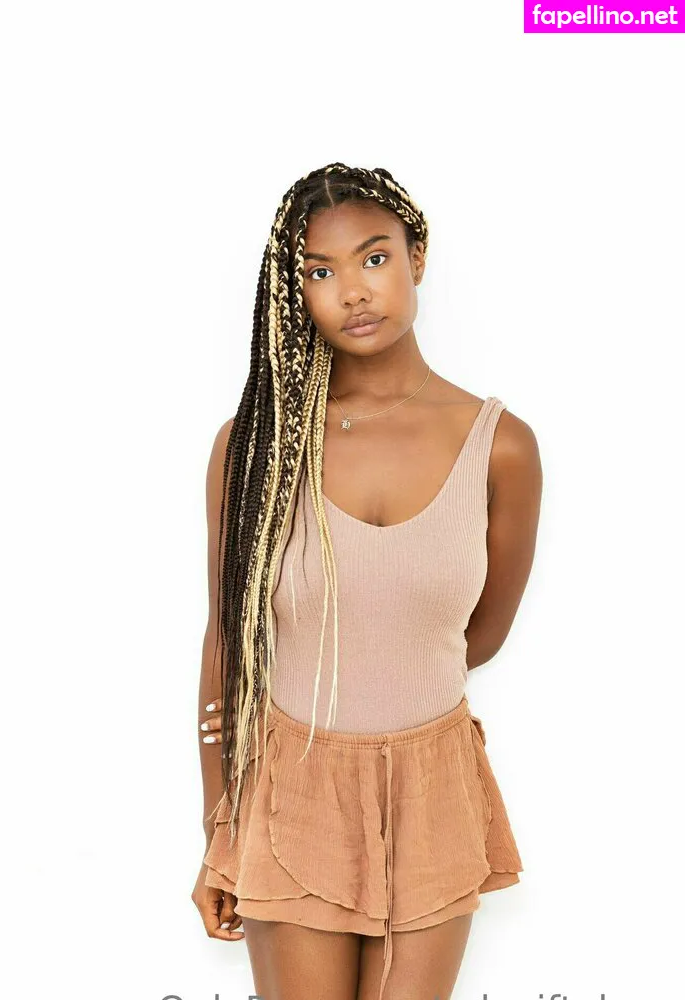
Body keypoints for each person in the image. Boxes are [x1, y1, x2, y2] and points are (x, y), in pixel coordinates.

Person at [191, 162, 542, 1000]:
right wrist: (219, 829)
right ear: (296, 293)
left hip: (433, 790)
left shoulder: (502, 446)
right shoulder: (256, 447)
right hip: (292, 788)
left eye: (374, 258)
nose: (352, 291)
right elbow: (229, 644)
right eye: (320, 272)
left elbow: (479, 636)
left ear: (417, 257)